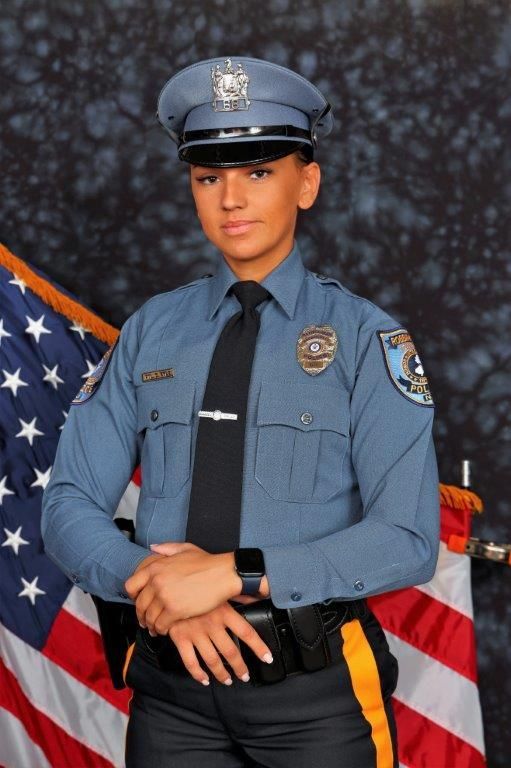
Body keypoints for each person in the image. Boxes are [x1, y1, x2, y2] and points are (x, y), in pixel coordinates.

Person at [41, 56, 440, 768]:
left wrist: (236, 574)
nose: (230, 199)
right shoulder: (150, 332)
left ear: (305, 182)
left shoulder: (365, 340)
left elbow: (406, 538)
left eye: (257, 172)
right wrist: (158, 587)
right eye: (208, 177)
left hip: (314, 700)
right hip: (172, 692)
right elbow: (68, 504)